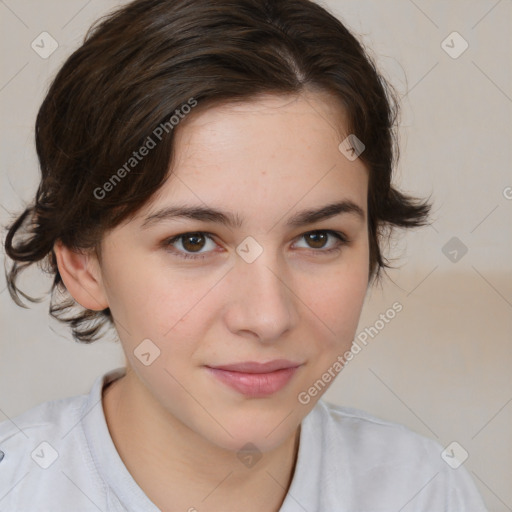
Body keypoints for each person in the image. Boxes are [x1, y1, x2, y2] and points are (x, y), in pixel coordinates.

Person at [0, 0, 488, 510]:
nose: (268, 317)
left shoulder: (426, 491)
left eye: (318, 238)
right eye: (193, 241)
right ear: (82, 263)